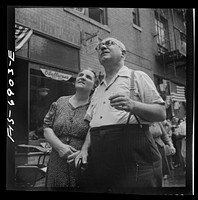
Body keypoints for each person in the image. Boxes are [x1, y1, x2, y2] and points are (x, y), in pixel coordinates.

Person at [75, 37, 166, 193]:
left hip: (134, 156)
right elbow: (92, 125)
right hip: (101, 159)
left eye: (109, 43)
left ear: (123, 53)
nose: (103, 46)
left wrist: (133, 105)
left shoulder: (137, 76)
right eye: (100, 46)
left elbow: (161, 113)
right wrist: (84, 150)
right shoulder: (97, 90)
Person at [43, 69, 97, 190]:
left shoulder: (95, 107)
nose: (83, 77)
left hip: (81, 163)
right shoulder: (60, 102)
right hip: (57, 161)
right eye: (81, 75)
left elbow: (96, 132)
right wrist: (60, 147)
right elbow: (47, 127)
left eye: (88, 77)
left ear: (94, 86)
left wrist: (85, 151)